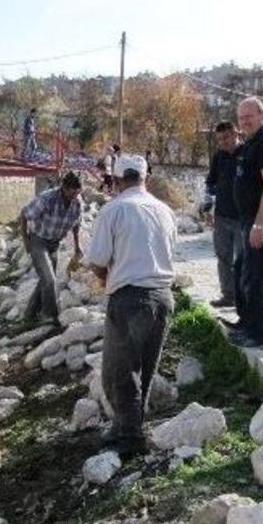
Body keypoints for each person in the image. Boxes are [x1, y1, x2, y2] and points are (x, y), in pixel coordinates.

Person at [86, 154, 176, 456]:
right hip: (163, 297)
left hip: (129, 299)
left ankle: (131, 440)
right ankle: (127, 426)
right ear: (144, 178)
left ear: (118, 180)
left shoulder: (114, 209)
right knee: (146, 371)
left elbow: (98, 261)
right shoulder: (165, 210)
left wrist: (107, 279)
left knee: (117, 374)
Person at [228, 97, 263, 349]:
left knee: (256, 274)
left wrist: (260, 224)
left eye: (249, 116)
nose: (244, 122)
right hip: (249, 218)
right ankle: (247, 322)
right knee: (243, 269)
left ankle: (256, 334)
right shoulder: (252, 143)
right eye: (240, 118)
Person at [18, 171, 84, 326]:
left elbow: (77, 225)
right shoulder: (47, 198)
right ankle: (50, 317)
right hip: (38, 242)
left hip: (54, 245)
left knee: (44, 282)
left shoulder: (77, 202)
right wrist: (26, 241)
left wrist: (77, 245)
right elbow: (24, 214)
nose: (75, 194)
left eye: (78, 191)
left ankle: (29, 315)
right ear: (64, 187)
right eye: (72, 191)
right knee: (49, 280)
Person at [202, 121, 243, 307]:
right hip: (222, 216)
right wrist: (208, 206)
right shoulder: (218, 157)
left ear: (236, 134)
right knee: (223, 257)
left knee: (243, 260)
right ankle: (228, 295)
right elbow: (210, 184)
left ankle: (244, 297)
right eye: (220, 139)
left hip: (243, 218)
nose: (223, 142)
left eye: (226, 137)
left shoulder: (248, 153)